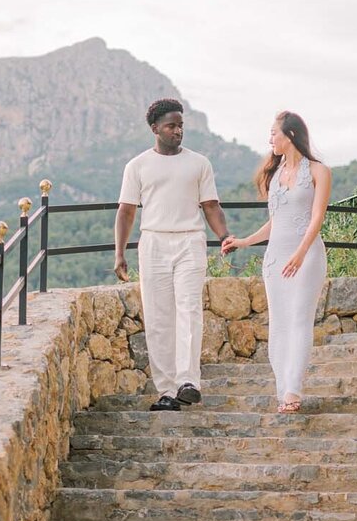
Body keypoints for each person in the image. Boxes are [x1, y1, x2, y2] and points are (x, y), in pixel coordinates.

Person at [114, 98, 230, 411]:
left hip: (191, 242)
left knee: (189, 309)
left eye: (180, 125)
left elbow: (211, 206)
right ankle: (166, 391)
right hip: (153, 243)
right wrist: (120, 254)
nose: (178, 131)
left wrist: (225, 236)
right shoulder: (137, 166)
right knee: (158, 317)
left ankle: (188, 382)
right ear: (155, 129)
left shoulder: (199, 163)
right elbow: (125, 212)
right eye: (171, 126)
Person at [222, 112, 331, 414]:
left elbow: (317, 218)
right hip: (276, 258)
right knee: (279, 325)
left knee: (299, 320)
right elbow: (275, 223)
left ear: (290, 135)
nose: (270, 139)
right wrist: (243, 241)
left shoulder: (320, 172)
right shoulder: (273, 175)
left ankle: (294, 391)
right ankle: (283, 390)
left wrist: (299, 253)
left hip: (306, 256)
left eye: (274, 133)